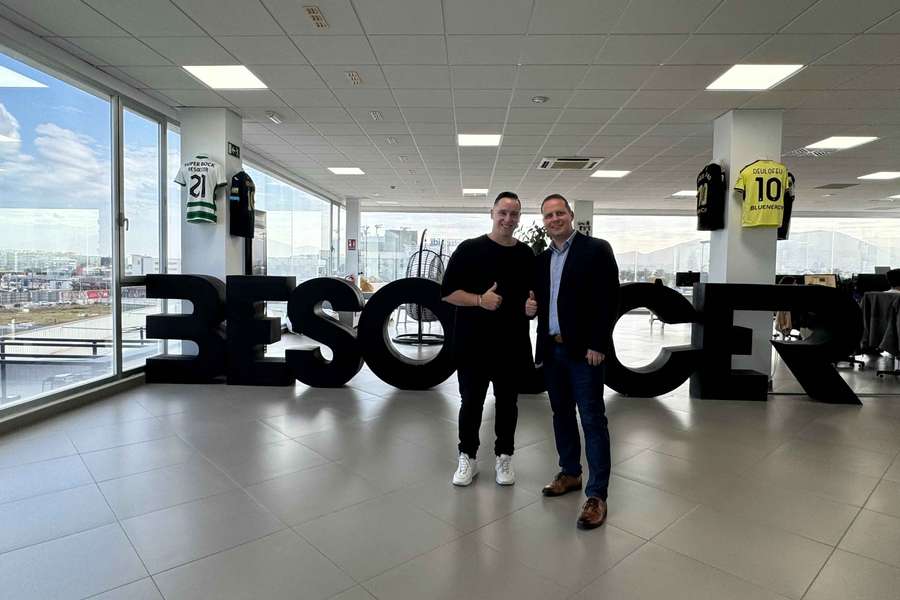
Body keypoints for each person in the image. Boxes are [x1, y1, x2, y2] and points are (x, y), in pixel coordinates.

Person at [525, 193, 620, 529]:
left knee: (593, 419)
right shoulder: (541, 260)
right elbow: (537, 299)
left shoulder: (596, 250)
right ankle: (570, 473)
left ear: (570, 215)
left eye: (559, 213)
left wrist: (598, 343)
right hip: (552, 351)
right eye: (548, 215)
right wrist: (529, 308)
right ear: (544, 221)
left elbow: (609, 300)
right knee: (560, 413)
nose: (554, 219)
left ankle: (597, 496)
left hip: (584, 352)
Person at [441, 191, 535, 486]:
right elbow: (448, 293)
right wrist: (480, 300)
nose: (508, 219)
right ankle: (467, 457)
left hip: (512, 344)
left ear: (519, 218)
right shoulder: (469, 250)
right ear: (492, 213)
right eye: (503, 212)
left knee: (508, 404)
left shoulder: (525, 254)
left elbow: (532, 298)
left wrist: (532, 309)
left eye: (514, 214)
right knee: (471, 403)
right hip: (473, 344)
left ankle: (504, 457)